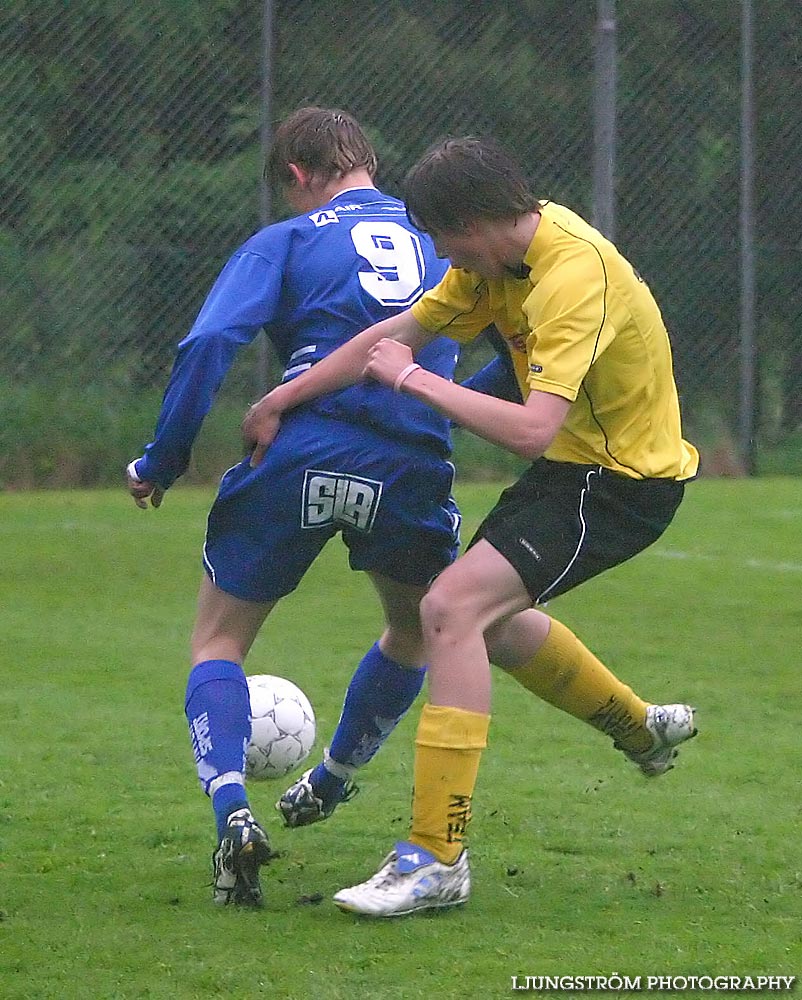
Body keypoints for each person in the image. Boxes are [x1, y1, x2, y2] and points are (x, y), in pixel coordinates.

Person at [241, 136, 700, 918]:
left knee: (449, 609)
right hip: (572, 471)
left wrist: (413, 382)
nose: (442, 254)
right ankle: (639, 727)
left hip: (623, 484)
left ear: (475, 222)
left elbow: (525, 428)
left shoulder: (570, 275)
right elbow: (386, 341)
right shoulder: (493, 265)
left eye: (443, 237)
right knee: (488, 624)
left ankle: (435, 855)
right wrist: (285, 397)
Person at [126, 107, 479, 908]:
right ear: (368, 160)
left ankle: (233, 815)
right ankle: (338, 775)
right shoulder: (445, 240)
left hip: (295, 455)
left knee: (217, 640)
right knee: (413, 631)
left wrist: (165, 458)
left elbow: (210, 342)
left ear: (295, 174)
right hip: (407, 463)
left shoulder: (286, 240)